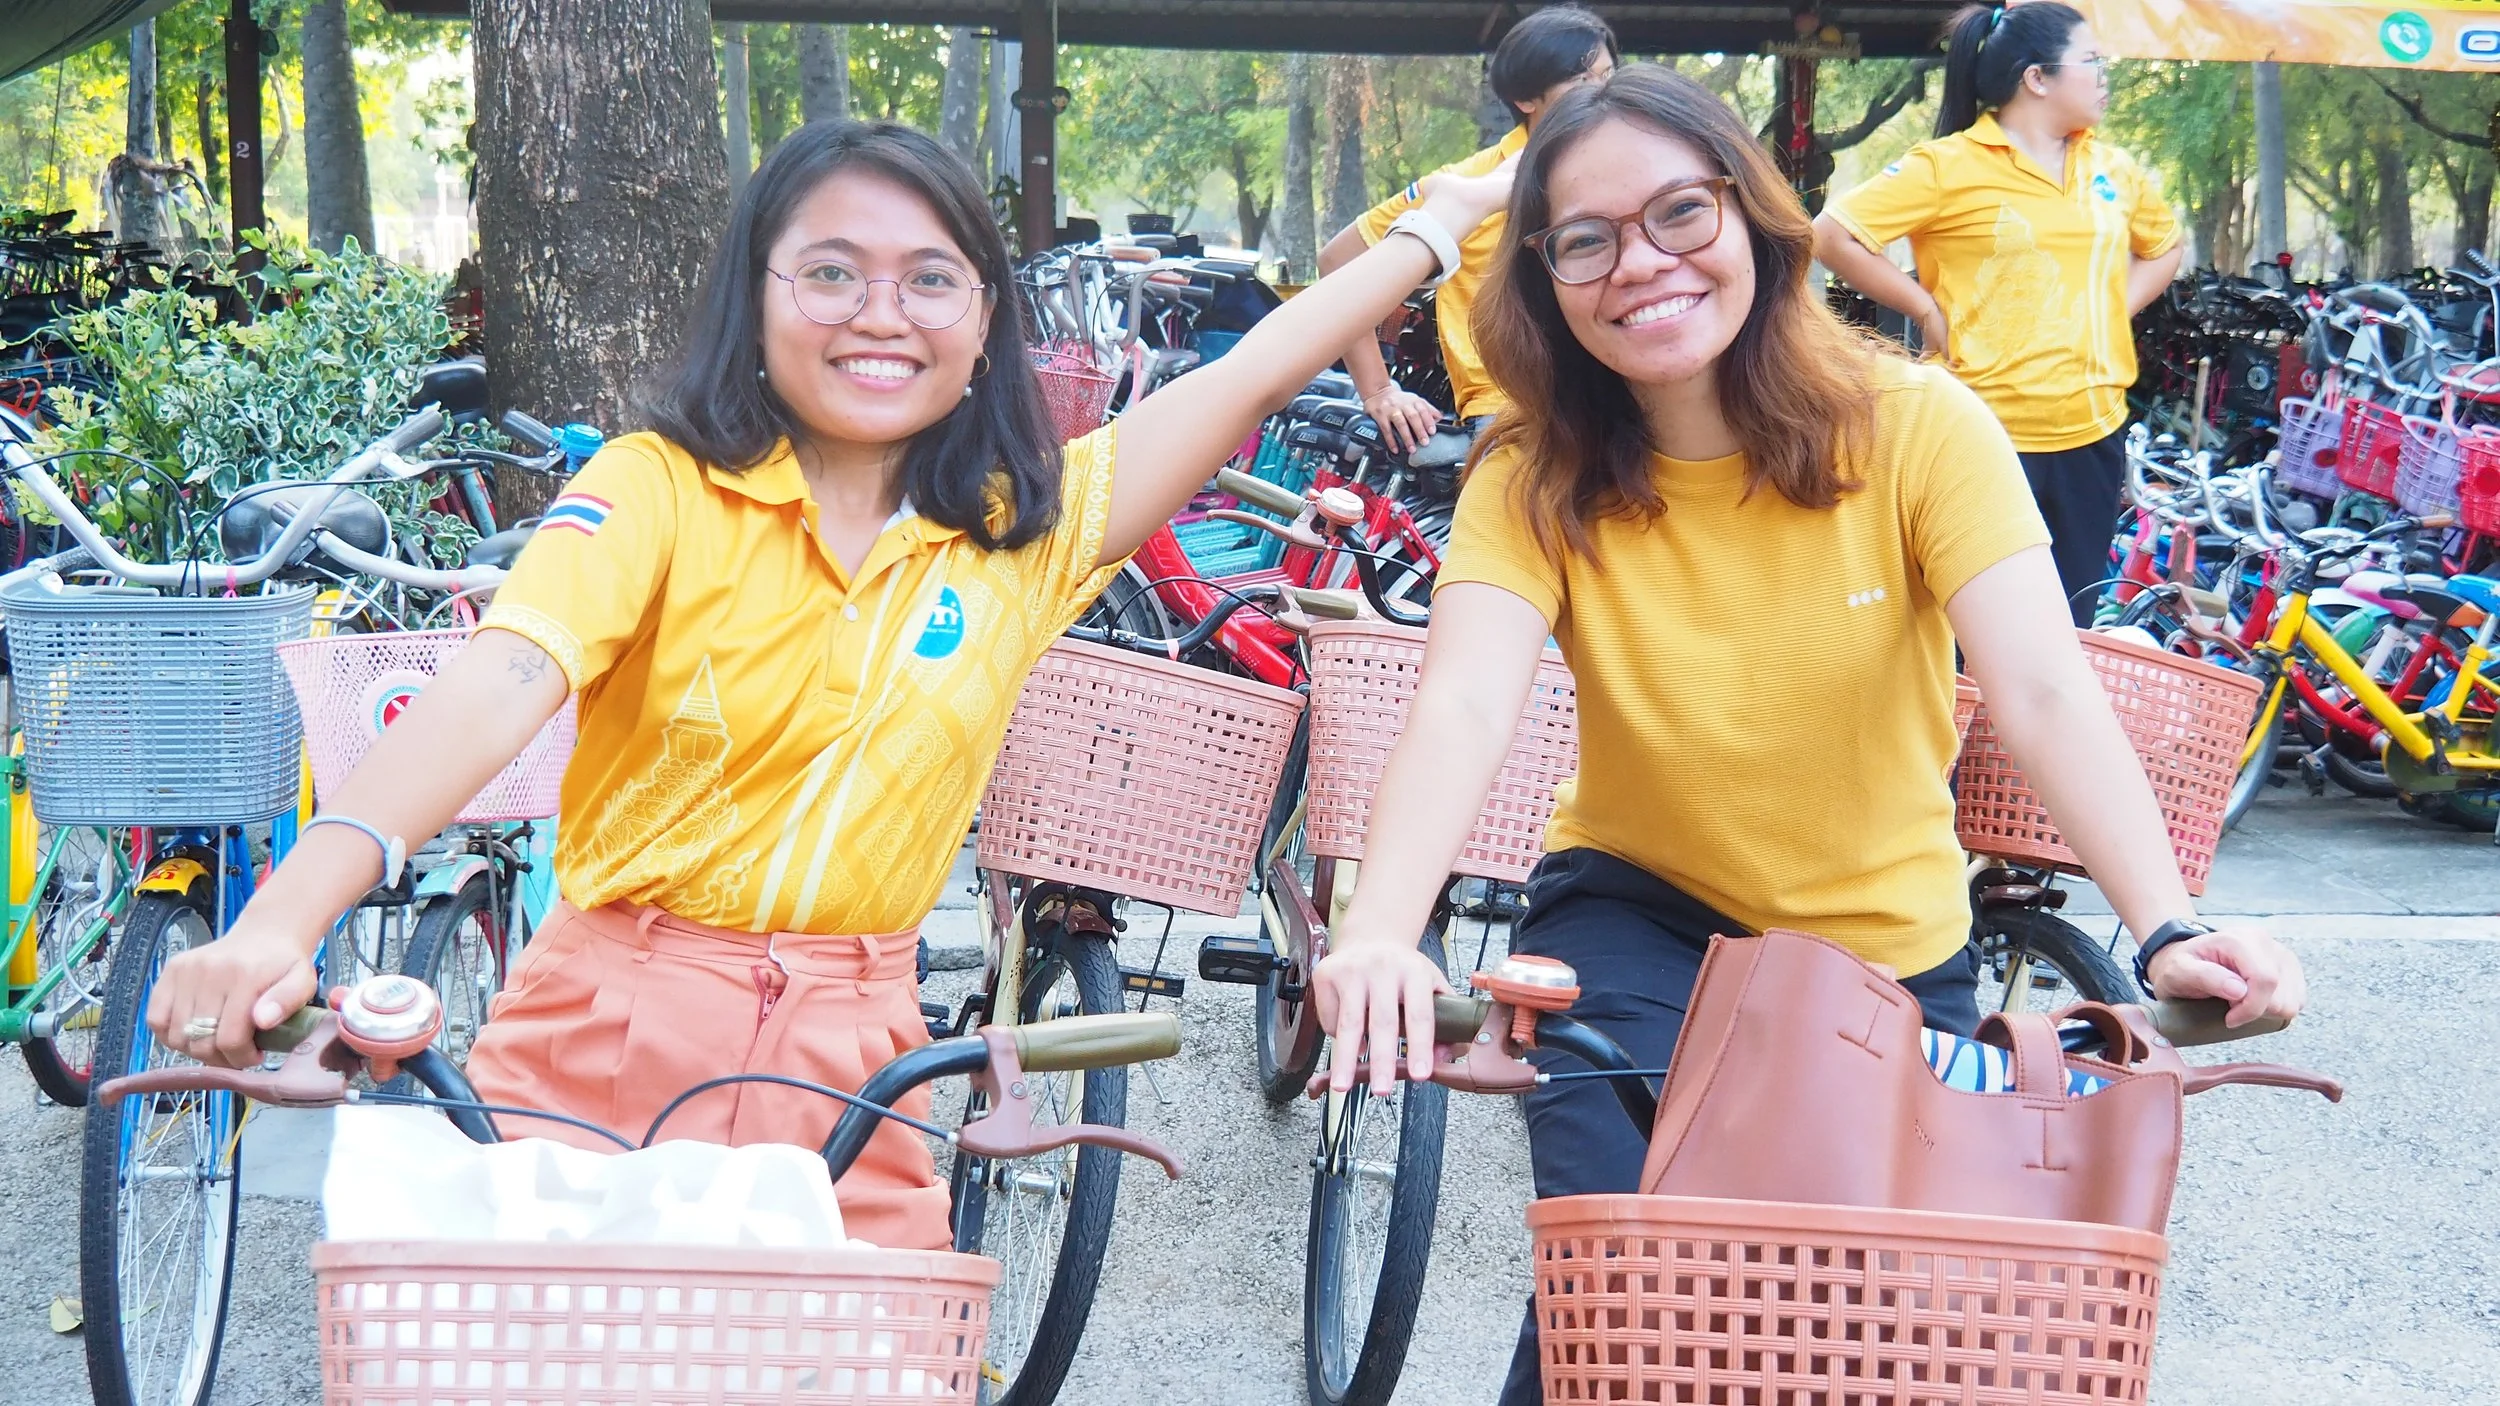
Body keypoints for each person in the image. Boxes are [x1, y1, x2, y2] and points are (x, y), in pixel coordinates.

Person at [145, 119, 1515, 1251]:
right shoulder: (656, 487)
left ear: (987, 322)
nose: (882, 315)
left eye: (932, 279)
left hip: (864, 1046)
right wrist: (283, 920)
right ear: (756, 296)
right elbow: (504, 675)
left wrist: (1436, 225)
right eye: (832, 273)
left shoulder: (1022, 534)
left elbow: (1259, 364)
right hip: (604, 1020)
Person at [1302, 66, 2305, 1405]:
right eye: (1584, 240)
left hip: (1890, 952)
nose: (1639, 265)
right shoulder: (1532, 471)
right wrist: (1379, 929)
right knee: (1629, 1283)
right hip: (1635, 916)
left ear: (1756, 219)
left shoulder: (1916, 426)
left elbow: (2045, 688)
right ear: (1542, 282)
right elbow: (1467, 699)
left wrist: (2171, 924)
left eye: (1679, 214)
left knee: (1852, 1341)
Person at [1813, 2, 2183, 625]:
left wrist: (2110, 306)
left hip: (2092, 436)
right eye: (2091, 61)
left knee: (2068, 623)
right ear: (2036, 78)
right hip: (1979, 432)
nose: (2104, 74)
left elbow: (2164, 246)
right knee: (1965, 627)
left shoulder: (2110, 168)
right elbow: (1832, 235)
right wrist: (1925, 309)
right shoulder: (1948, 166)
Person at [1317, 4, 1617, 453]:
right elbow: (1337, 261)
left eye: (1609, 74)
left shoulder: (1625, 169)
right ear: (1525, 99)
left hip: (1618, 400)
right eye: (1579, 81)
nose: (1601, 92)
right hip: (1517, 417)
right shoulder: (1468, 185)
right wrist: (1378, 390)